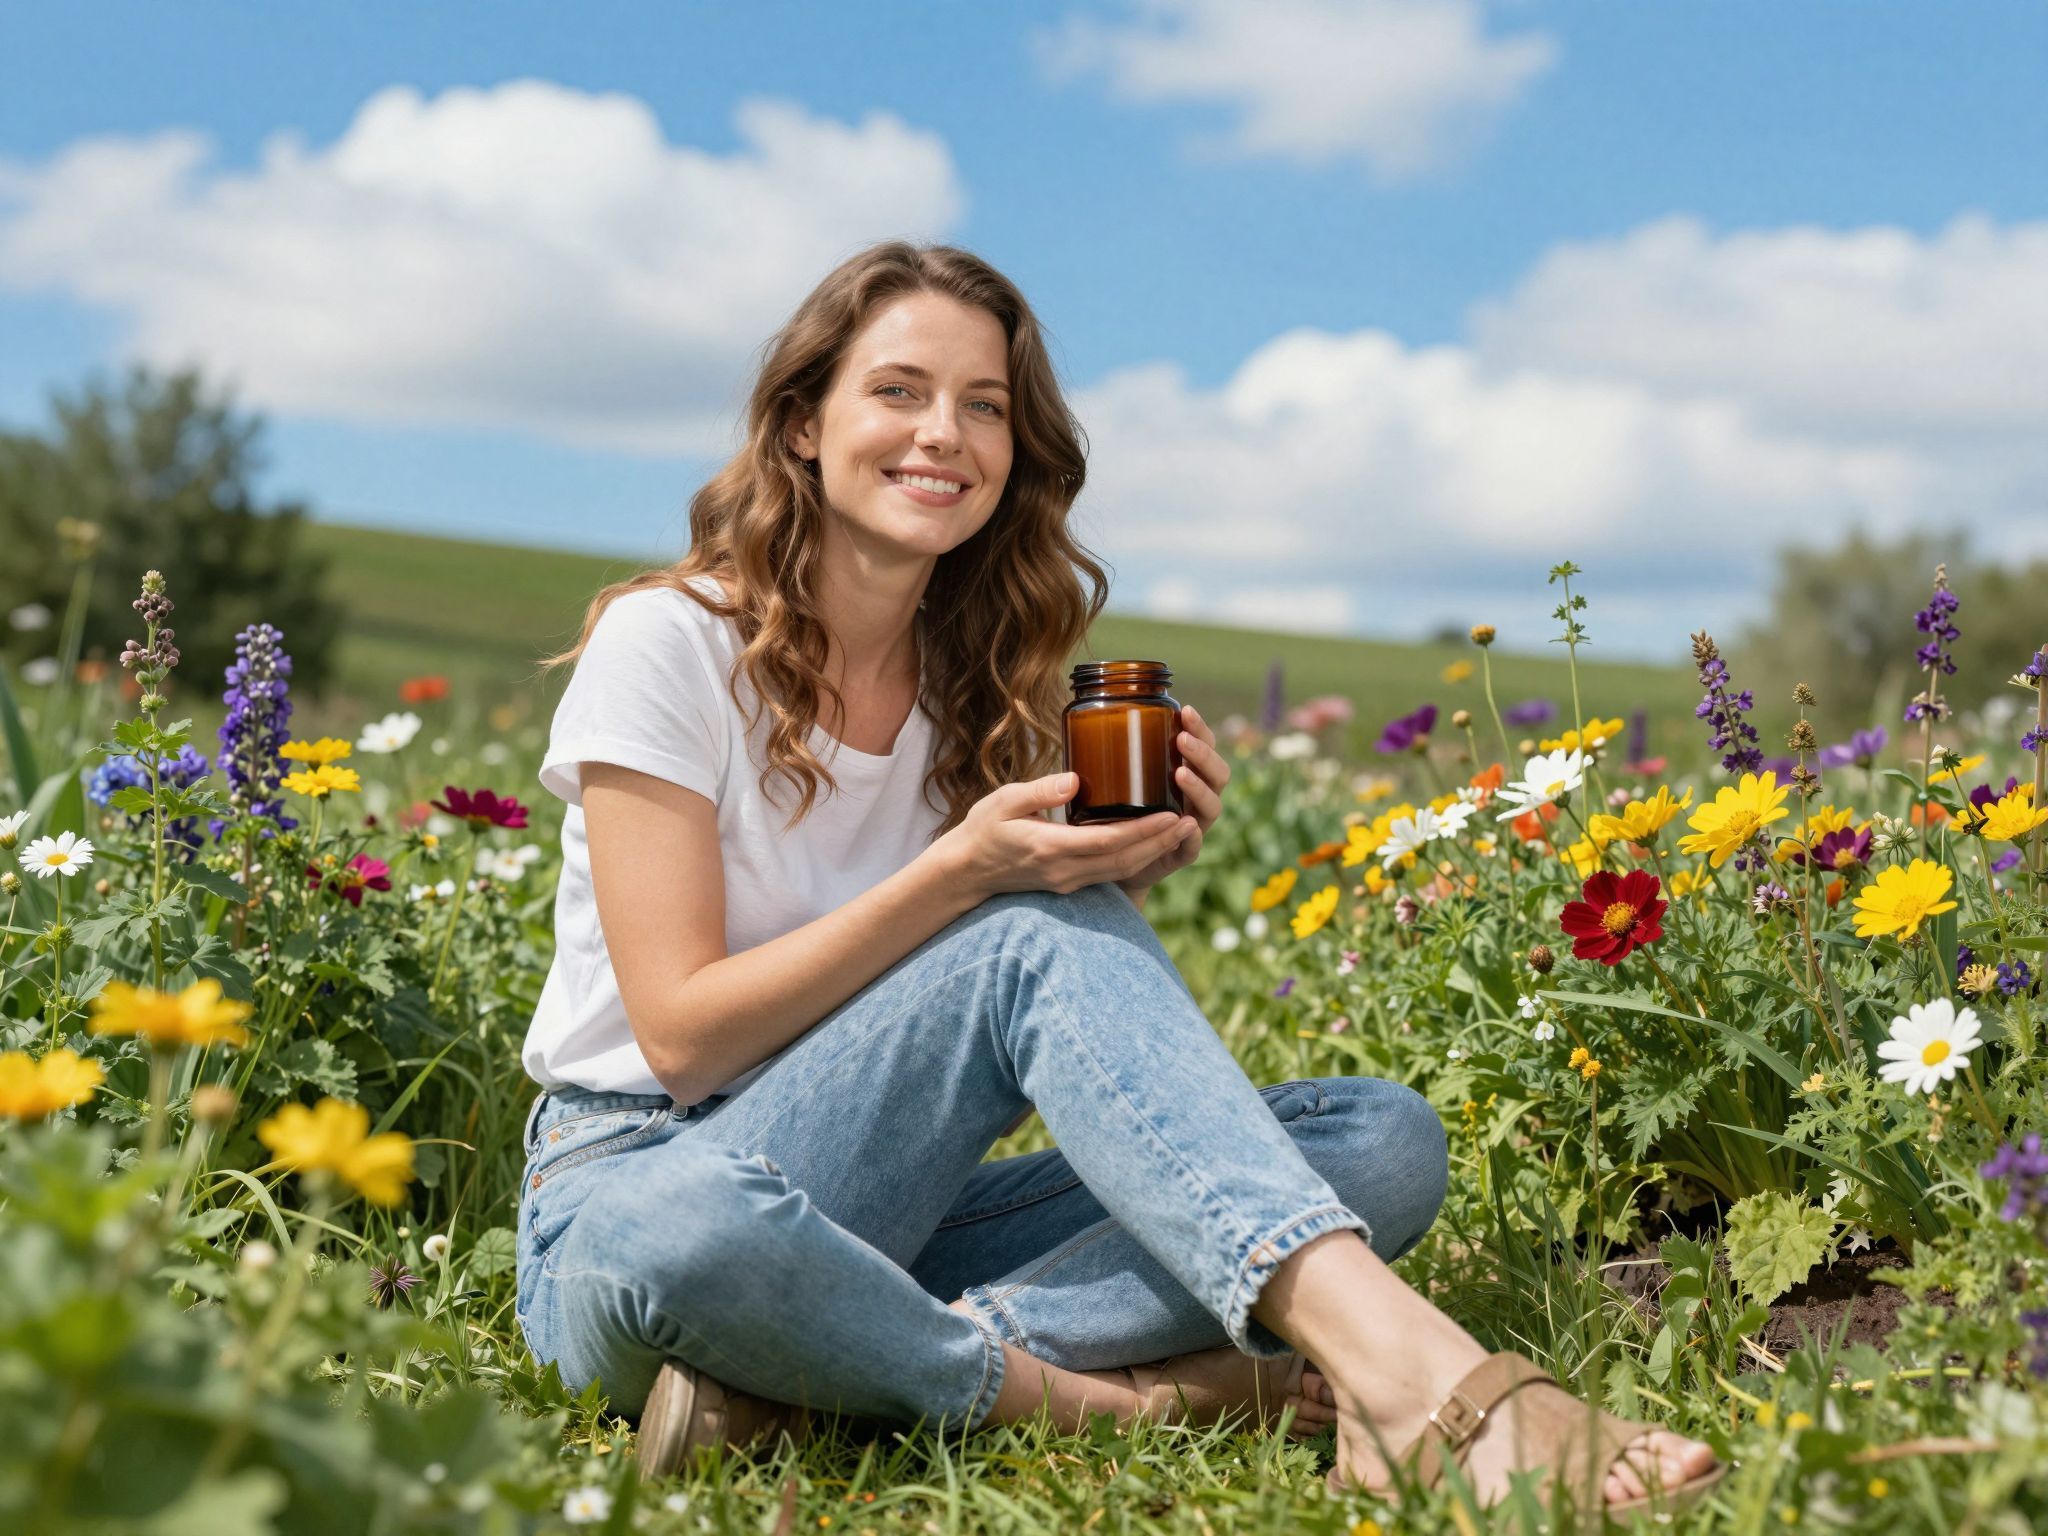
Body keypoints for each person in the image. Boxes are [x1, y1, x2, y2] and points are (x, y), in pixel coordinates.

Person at [514, 242, 1721, 1513]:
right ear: (804, 424)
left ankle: (802, 1368)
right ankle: (1319, 1385)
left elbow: (996, 1009)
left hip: (887, 1207)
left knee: (1378, 1141)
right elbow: (685, 1036)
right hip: (632, 1192)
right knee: (693, 1234)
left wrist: (1111, 874)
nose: (945, 434)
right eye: (899, 392)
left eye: (985, 406)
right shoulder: (670, 641)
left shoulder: (972, 691)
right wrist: (967, 875)